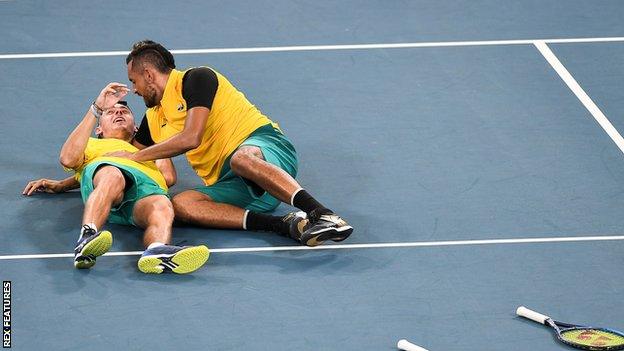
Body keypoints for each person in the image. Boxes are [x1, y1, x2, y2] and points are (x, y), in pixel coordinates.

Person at [108, 40, 353, 246]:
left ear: (149, 75)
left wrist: (135, 157)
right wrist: (75, 179)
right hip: (241, 187)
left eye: (134, 80)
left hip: (266, 149)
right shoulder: (153, 117)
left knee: (241, 158)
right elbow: (123, 159)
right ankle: (284, 225)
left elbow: (190, 138)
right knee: (181, 204)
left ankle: (322, 214)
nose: (134, 89)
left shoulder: (196, 79)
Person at [23, 83, 209, 274]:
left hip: (141, 194)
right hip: (110, 181)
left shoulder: (147, 151)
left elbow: (168, 177)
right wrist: (96, 108)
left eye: (124, 112)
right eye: (110, 112)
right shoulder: (92, 145)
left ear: (136, 127)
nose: (118, 113)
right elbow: (69, 159)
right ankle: (88, 235)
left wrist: (155, 134)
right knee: (113, 174)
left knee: (162, 203)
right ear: (98, 130)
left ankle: (156, 250)